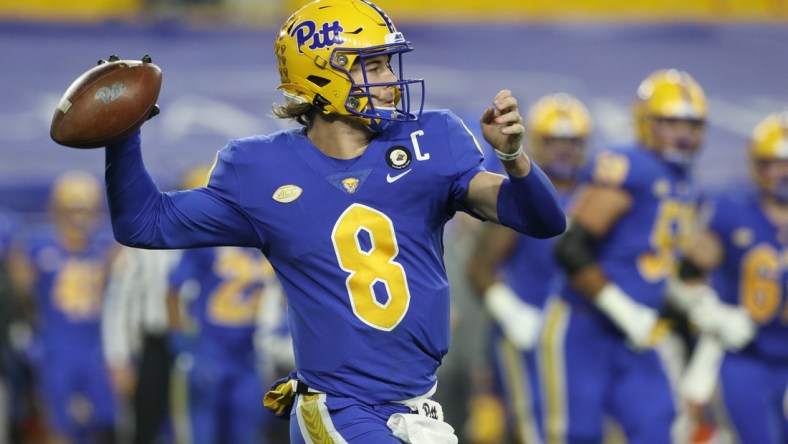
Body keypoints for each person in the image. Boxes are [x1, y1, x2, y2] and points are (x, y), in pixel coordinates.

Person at [92, 0, 566, 441]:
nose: (391, 80)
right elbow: (144, 224)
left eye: (388, 64)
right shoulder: (259, 170)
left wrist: (514, 157)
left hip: (417, 406)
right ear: (323, 75)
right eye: (374, 65)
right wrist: (122, 135)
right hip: (339, 408)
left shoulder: (432, 138)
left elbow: (542, 219)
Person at [547, 69, 707, 443]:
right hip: (584, 324)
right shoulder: (628, 165)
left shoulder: (686, 183)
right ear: (646, 123)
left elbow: (653, 262)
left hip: (637, 334)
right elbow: (571, 248)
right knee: (578, 434)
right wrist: (623, 309)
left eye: (691, 124)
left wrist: (695, 302)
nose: (682, 134)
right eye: (671, 122)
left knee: (655, 423)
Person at [466, 93, 591, 443]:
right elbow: (479, 268)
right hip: (526, 328)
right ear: (537, 141)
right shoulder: (526, 196)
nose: (564, 151)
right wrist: (511, 312)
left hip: (578, 334)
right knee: (526, 424)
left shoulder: (595, 196)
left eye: (573, 143)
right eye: (555, 142)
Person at [670, 112, 786, 443]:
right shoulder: (730, 210)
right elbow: (680, 269)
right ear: (757, 166)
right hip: (745, 357)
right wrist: (711, 311)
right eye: (775, 163)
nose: (784, 172)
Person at [8, 171, 118, 444]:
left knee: (103, 423)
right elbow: (20, 290)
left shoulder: (106, 248)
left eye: (85, 209)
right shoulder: (37, 247)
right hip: (56, 346)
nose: (78, 217)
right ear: (55, 209)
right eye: (72, 208)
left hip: (97, 348)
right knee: (60, 424)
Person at [167, 245, 277, 444]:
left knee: (248, 433)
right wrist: (181, 341)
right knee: (203, 432)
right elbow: (173, 289)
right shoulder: (211, 238)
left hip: (248, 355)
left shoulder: (266, 240)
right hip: (209, 351)